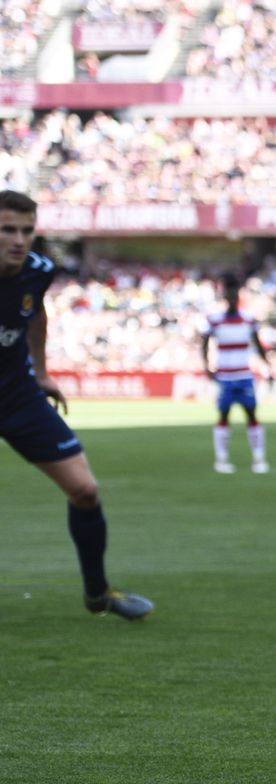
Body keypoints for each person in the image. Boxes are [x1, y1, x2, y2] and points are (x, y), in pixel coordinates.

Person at [0, 190, 152, 620]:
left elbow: (37, 314)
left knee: (85, 490)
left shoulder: (38, 271)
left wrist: (42, 370)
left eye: (27, 230)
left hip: (16, 395)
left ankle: (98, 593)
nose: (19, 239)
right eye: (7, 229)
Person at [200, 273, 274, 474]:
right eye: (229, 294)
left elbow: (259, 345)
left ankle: (259, 458)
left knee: (252, 415)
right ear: (225, 296)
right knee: (223, 416)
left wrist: (268, 366)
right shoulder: (214, 320)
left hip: (244, 375)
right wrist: (207, 367)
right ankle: (222, 459)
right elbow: (204, 343)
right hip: (225, 377)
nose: (232, 298)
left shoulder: (249, 319)